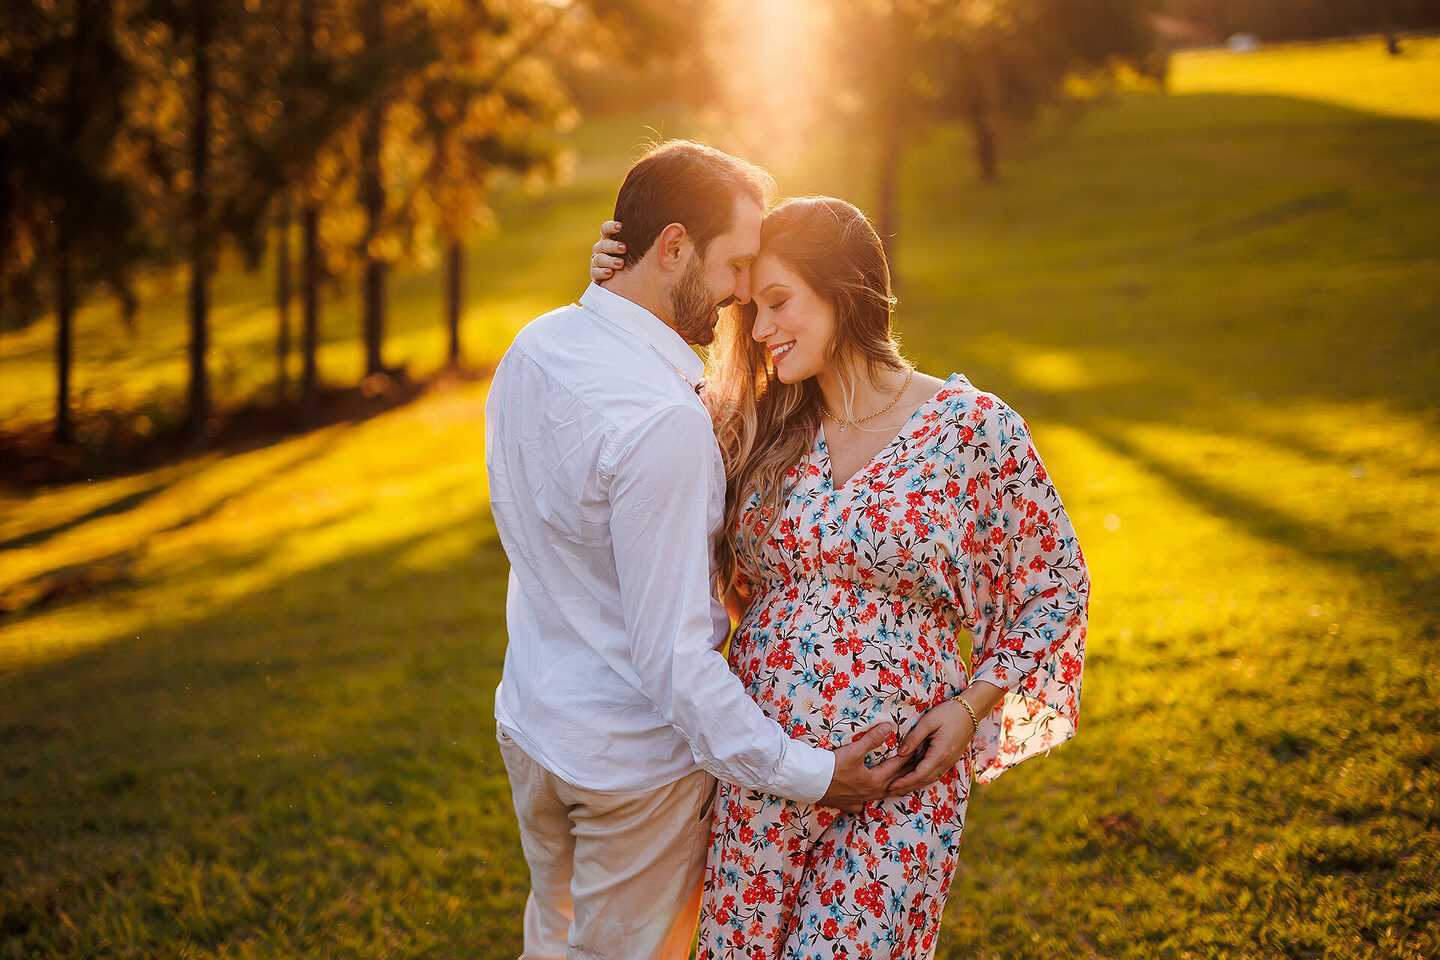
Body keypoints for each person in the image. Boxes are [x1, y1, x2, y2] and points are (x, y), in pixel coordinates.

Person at [587, 195, 1089, 959]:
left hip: (899, 784)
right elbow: (626, 406)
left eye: (780, 302)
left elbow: (1055, 585)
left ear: (845, 289)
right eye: (752, 309)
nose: (759, 331)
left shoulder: (972, 428)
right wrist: (614, 289)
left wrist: (968, 705)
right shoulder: (749, 427)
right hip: (766, 777)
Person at [485, 142, 908, 960]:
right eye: (737, 265)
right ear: (674, 246)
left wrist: (612, 289)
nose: (745, 294)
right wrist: (816, 774)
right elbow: (675, 663)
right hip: (630, 774)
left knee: (552, 938)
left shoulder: (534, 347)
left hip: (532, 726)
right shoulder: (662, 423)